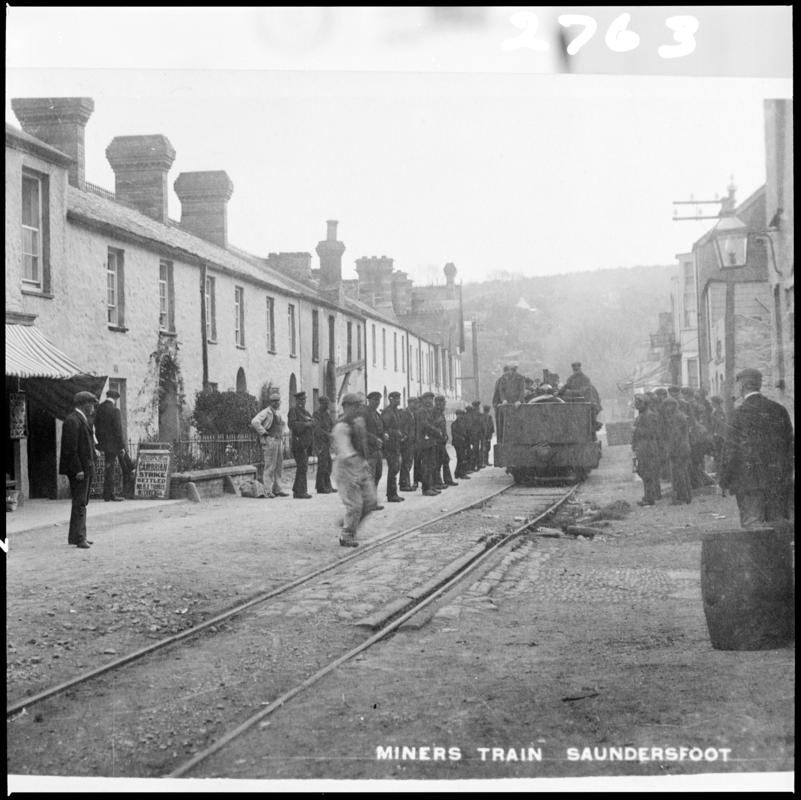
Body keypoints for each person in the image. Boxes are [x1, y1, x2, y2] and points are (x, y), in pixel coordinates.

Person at [719, 368, 794, 528]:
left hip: (748, 482)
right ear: (758, 385)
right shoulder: (779, 410)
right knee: (778, 527)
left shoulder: (737, 414)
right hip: (778, 480)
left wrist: (724, 480)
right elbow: (789, 446)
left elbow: (730, 451)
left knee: (753, 530)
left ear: (743, 385)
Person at [332, 393, 379, 547]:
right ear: (346, 407)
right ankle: (347, 535)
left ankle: (349, 522)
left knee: (371, 501)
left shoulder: (359, 422)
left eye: (360, 405)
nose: (359, 409)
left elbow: (363, 442)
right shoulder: (341, 426)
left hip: (360, 465)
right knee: (355, 505)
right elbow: (346, 452)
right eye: (355, 405)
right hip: (347, 467)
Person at [58, 391, 99, 548]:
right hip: (80, 469)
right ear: (85, 404)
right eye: (91, 405)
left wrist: (92, 451)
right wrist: (78, 469)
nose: (93, 409)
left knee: (81, 502)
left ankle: (75, 536)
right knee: (80, 503)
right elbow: (71, 448)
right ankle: (80, 537)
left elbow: (83, 444)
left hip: (85, 466)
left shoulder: (81, 419)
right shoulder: (72, 421)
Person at [94, 388, 133, 501]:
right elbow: (118, 430)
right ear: (115, 399)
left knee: (108, 468)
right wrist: (122, 446)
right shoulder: (115, 410)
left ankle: (107, 494)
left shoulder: (99, 408)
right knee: (111, 469)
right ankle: (109, 494)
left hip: (101, 444)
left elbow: (95, 425)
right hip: (113, 445)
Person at [251, 390, 289, 498]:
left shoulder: (278, 412)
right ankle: (267, 490)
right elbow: (254, 421)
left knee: (279, 466)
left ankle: (278, 489)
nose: (276, 403)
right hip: (270, 440)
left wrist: (283, 435)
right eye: (274, 401)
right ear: (270, 402)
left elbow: (282, 425)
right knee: (270, 466)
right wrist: (264, 432)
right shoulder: (266, 412)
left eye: (278, 401)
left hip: (278, 440)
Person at [631, 394, 661, 506]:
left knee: (648, 472)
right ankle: (648, 496)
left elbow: (653, 432)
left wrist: (636, 430)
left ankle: (650, 498)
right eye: (636, 403)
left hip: (648, 447)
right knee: (643, 471)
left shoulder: (649, 415)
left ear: (645, 404)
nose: (636, 405)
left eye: (639, 403)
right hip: (642, 447)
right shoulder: (642, 415)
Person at [662, 397, 692, 505]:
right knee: (683, 472)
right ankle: (686, 496)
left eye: (667, 406)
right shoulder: (679, 415)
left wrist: (670, 450)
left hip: (679, 448)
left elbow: (676, 435)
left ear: (673, 405)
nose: (666, 408)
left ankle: (682, 497)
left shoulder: (676, 417)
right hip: (683, 447)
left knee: (679, 473)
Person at [287, 391, 314, 499]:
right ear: (297, 400)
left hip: (306, 444)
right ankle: (300, 492)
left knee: (303, 467)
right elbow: (292, 425)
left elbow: (313, 423)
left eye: (304, 399)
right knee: (302, 466)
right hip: (298, 443)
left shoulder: (306, 412)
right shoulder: (293, 410)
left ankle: (298, 490)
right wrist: (307, 424)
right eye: (301, 399)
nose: (303, 401)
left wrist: (312, 423)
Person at [381, 391, 405, 503]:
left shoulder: (395, 411)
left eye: (399, 398)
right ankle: (391, 495)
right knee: (393, 469)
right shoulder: (387, 412)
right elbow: (384, 429)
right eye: (396, 399)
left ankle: (393, 493)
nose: (398, 401)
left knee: (395, 468)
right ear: (391, 399)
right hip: (390, 444)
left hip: (396, 444)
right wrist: (396, 432)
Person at [415, 392, 441, 496]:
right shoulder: (422, 411)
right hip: (424, 441)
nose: (430, 401)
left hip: (430, 441)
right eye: (428, 399)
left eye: (431, 399)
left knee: (431, 464)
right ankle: (426, 488)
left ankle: (430, 486)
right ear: (424, 399)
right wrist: (436, 430)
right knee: (426, 465)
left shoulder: (428, 411)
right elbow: (425, 425)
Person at [433, 394, 458, 489]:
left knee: (445, 459)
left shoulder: (440, 412)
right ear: (439, 403)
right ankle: (438, 482)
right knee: (438, 462)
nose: (444, 405)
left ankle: (447, 480)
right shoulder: (435, 412)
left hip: (441, 440)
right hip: (437, 441)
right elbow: (435, 426)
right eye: (443, 402)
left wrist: (445, 435)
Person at [312, 396, 334, 494]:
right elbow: (317, 429)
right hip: (320, 443)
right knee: (322, 464)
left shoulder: (326, 414)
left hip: (326, 443)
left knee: (329, 464)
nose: (327, 405)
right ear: (321, 403)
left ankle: (328, 485)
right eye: (325, 403)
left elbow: (331, 425)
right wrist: (327, 434)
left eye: (327, 403)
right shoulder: (316, 414)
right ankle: (320, 487)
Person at [364, 391, 385, 487]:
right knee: (370, 475)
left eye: (378, 400)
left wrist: (383, 435)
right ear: (369, 401)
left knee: (378, 474)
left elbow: (380, 429)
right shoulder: (364, 413)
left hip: (377, 449)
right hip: (367, 449)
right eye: (374, 400)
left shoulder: (377, 414)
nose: (377, 402)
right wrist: (374, 439)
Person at [398, 397, 417, 492]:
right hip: (406, 441)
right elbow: (403, 426)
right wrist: (405, 436)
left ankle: (404, 482)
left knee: (409, 462)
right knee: (406, 462)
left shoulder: (411, 413)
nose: (416, 405)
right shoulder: (405, 413)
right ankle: (404, 484)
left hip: (411, 441)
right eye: (414, 403)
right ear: (410, 403)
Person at [709, 395, 728, 477]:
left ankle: (720, 473)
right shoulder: (716, 411)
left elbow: (721, 424)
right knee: (717, 454)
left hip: (719, 436)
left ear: (716, 403)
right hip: (717, 435)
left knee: (719, 454)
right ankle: (719, 472)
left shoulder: (719, 412)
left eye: (712, 402)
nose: (711, 404)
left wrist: (714, 419)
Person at [450, 408, 471, 479]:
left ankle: (457, 473)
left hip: (463, 443)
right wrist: (461, 438)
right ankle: (461, 474)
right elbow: (454, 434)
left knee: (461, 458)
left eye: (461, 415)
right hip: (457, 443)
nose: (460, 416)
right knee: (461, 458)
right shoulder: (454, 424)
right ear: (457, 415)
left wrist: (467, 440)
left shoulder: (464, 423)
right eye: (459, 415)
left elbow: (466, 433)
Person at [466, 400, 484, 472]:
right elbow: (470, 426)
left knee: (475, 451)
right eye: (476, 407)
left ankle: (477, 465)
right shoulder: (474, 415)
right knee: (474, 451)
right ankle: (474, 466)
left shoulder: (477, 414)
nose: (477, 408)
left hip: (476, 435)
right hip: (474, 435)